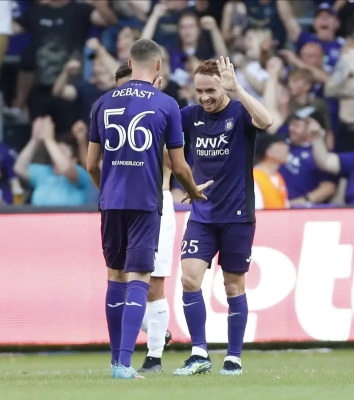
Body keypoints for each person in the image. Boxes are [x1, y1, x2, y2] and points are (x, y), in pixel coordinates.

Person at [86, 39, 209, 380]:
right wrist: (193, 191)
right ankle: (125, 365)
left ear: (129, 62)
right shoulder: (166, 104)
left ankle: (115, 360)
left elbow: (91, 163)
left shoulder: (102, 102)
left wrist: (106, 191)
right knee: (140, 278)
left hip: (111, 202)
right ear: (158, 66)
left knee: (114, 276)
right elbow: (179, 166)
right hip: (146, 201)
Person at [174, 57, 273, 376]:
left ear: (224, 87)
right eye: (199, 90)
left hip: (237, 215)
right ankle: (199, 353)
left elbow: (267, 121)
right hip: (202, 214)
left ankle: (233, 358)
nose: (204, 97)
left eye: (211, 91)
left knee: (233, 287)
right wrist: (186, 183)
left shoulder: (240, 112)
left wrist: (238, 90)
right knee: (189, 278)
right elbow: (166, 146)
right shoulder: (189, 116)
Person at [113, 63, 174, 373]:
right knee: (120, 282)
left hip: (155, 202)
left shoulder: (165, 115)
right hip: (119, 203)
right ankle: (154, 330)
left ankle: (154, 357)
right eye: (124, 90)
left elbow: (176, 161)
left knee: (152, 284)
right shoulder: (111, 120)